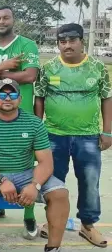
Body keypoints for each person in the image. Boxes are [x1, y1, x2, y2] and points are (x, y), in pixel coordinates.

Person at [0, 78, 69, 252]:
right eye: (2, 94)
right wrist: (0, 180)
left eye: (13, 93)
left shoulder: (34, 123)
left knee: (60, 193)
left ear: (20, 99)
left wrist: (34, 185)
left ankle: (53, 247)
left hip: (25, 172)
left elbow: (46, 162)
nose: (8, 98)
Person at [34, 23, 110, 248]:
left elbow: (107, 98)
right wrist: (38, 132)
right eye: (62, 41)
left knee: (89, 181)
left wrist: (107, 131)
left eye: (72, 40)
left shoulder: (97, 67)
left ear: (81, 41)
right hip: (53, 136)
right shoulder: (48, 69)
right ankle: (52, 222)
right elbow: (39, 99)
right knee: (53, 181)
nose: (67, 45)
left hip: (87, 136)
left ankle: (88, 225)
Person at [0, 5, 40, 233]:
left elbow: (30, 75)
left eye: (5, 18)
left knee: (25, 163)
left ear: (13, 20)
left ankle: (29, 214)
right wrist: (4, 67)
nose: (1, 22)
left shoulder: (27, 45)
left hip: (22, 117)